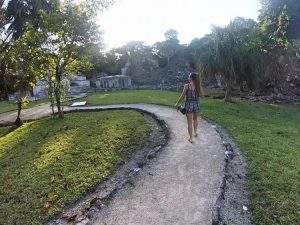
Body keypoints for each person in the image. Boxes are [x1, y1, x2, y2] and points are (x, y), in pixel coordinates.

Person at [175, 72, 204, 143]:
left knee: (189, 122)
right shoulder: (198, 86)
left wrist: (177, 103)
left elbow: (182, 95)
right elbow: (202, 95)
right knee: (195, 119)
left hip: (189, 105)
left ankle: (191, 138)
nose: (188, 78)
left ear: (191, 78)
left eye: (189, 77)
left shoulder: (187, 86)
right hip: (196, 104)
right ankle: (195, 133)